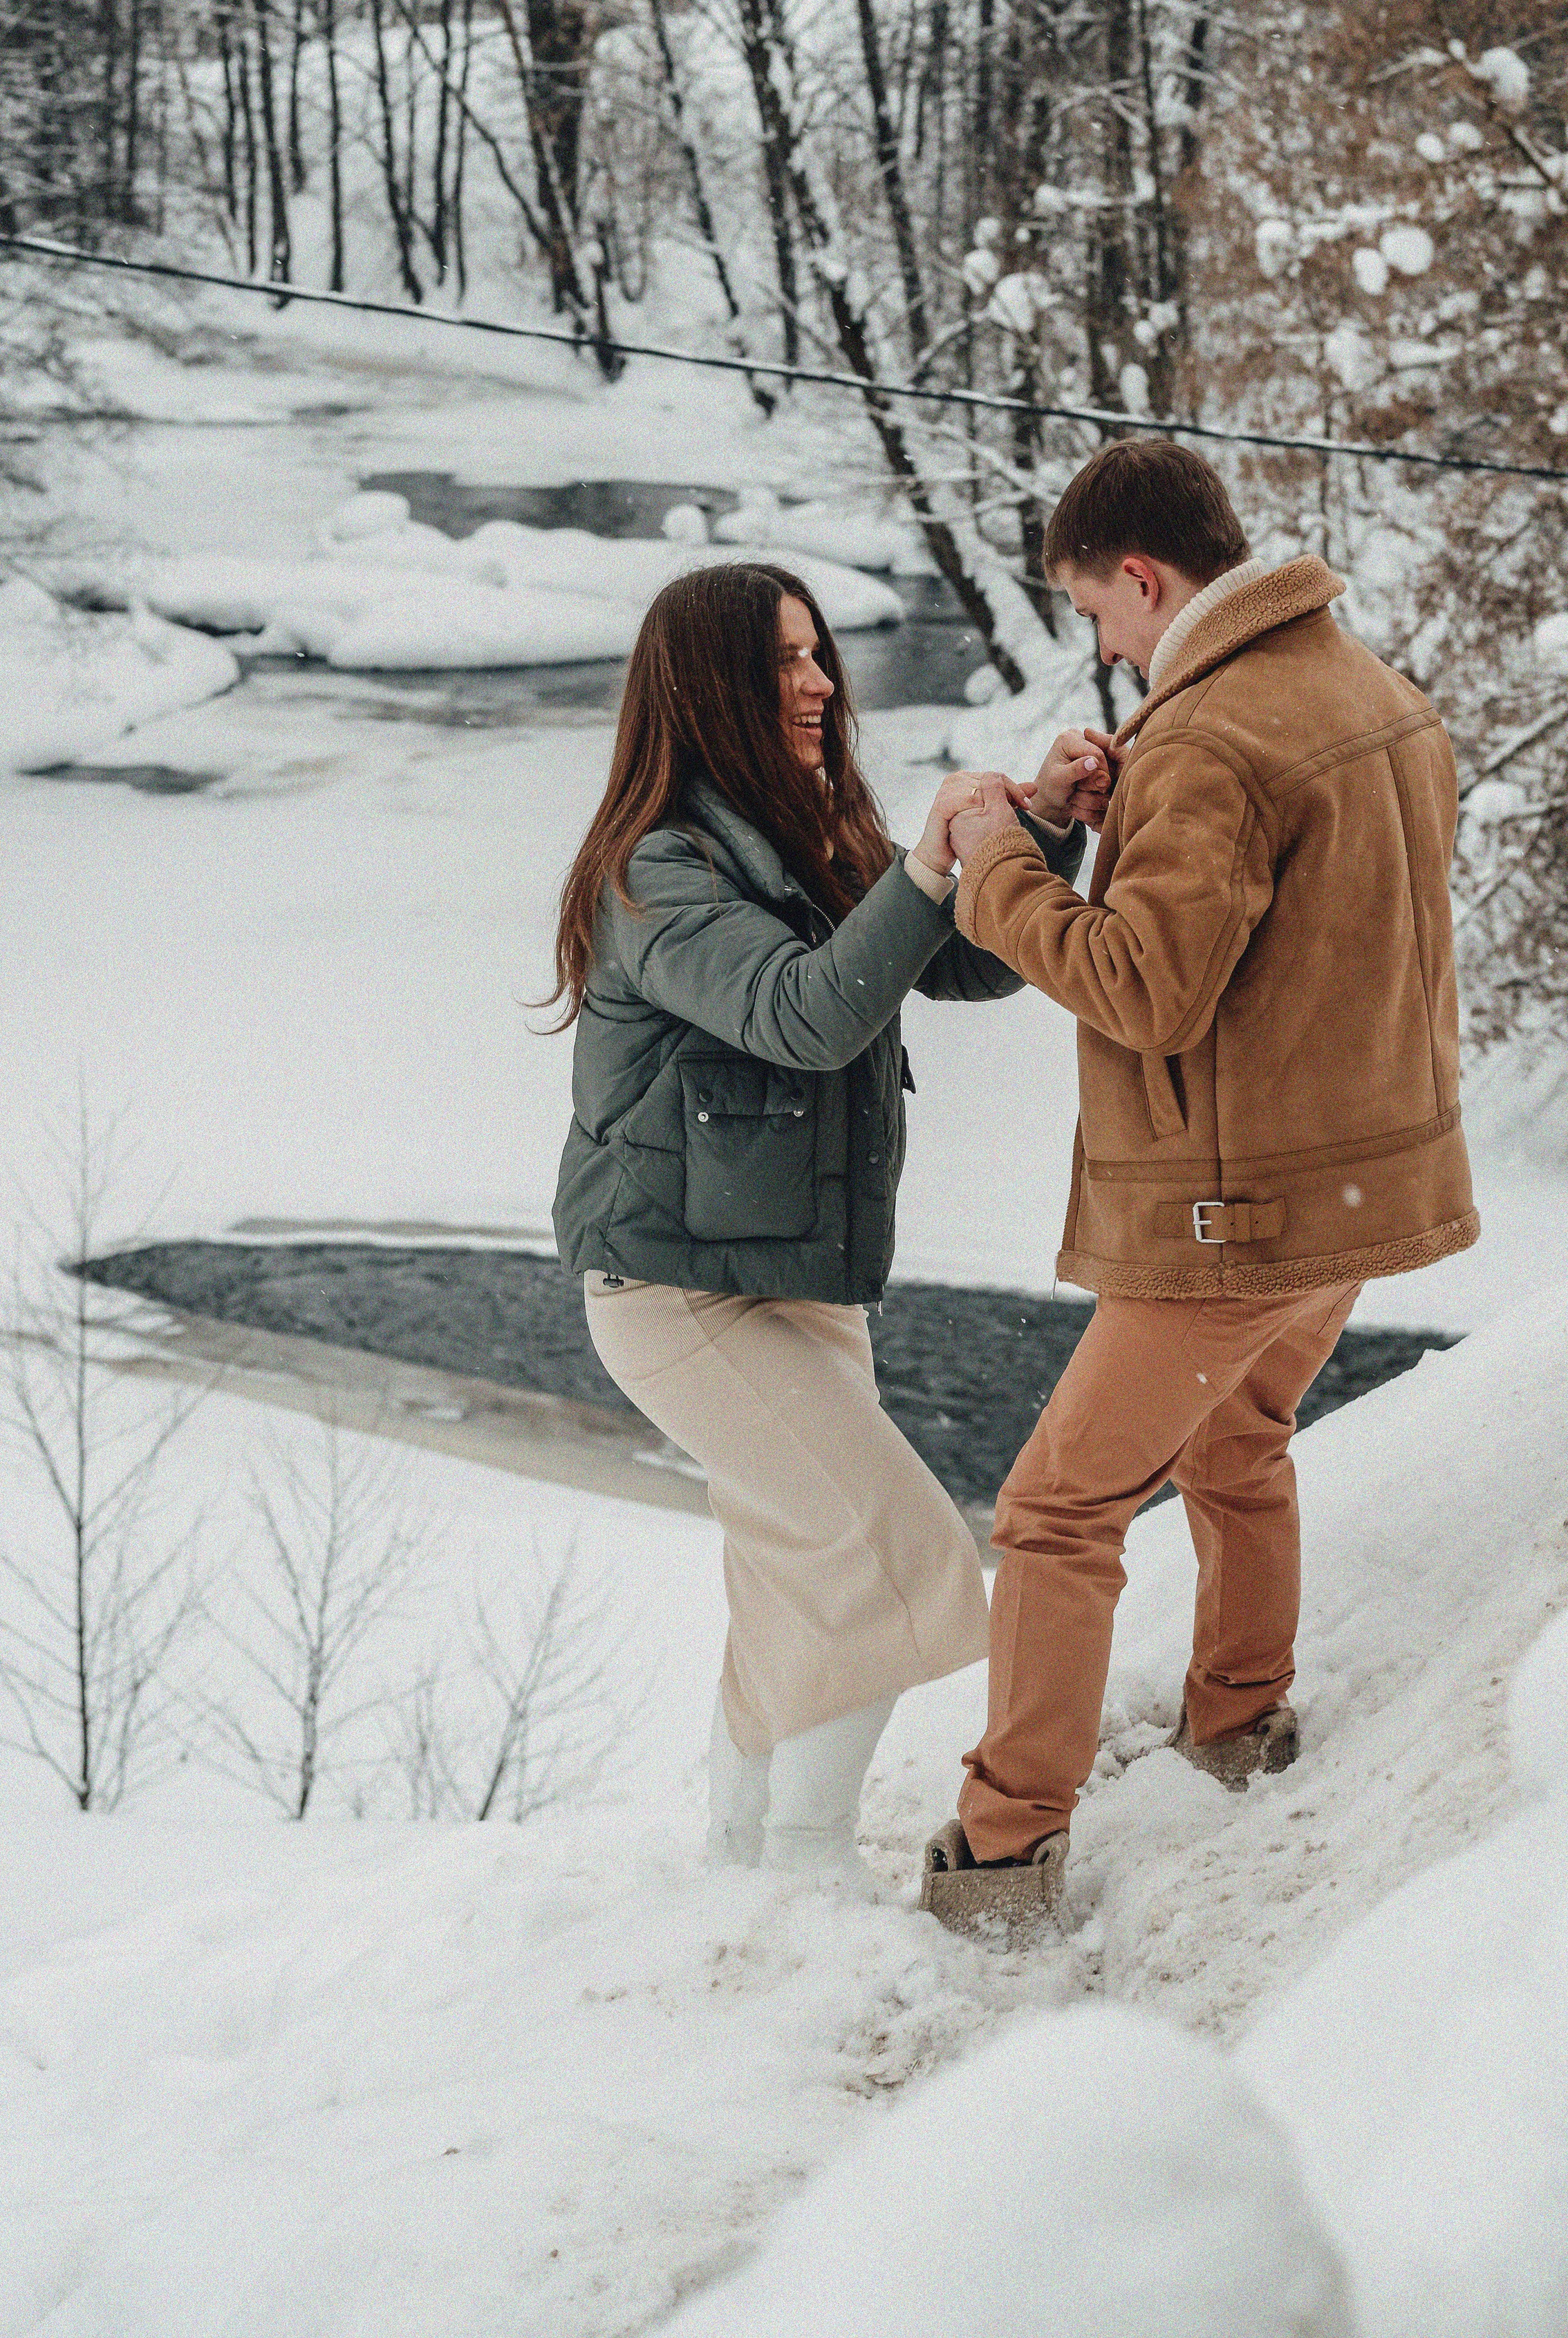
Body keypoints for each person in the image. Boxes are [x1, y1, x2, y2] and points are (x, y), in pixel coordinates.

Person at [920, 439, 1478, 1934]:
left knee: (1051, 1511)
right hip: (1358, 1187)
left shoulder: (1207, 740)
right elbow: (1295, 922)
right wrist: (1123, 828)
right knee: (1237, 1442)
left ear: (1146, 578)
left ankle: (997, 1855)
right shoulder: (1368, 690)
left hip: (1240, 1217)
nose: (1100, 647)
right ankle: (1236, 1728)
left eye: (1097, 615)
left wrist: (995, 862)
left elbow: (1142, 990)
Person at [548, 561, 1103, 1888]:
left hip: (800, 1279)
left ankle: (741, 1858)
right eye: (781, 663)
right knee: (888, 1555)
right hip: (678, 1296)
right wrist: (920, 860)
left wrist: (1037, 824)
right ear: (706, 690)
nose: (816, 681)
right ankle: (804, 1866)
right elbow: (807, 1012)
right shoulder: (655, 870)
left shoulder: (803, 823)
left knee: (795, 1581)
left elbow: (962, 961)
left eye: (815, 654)